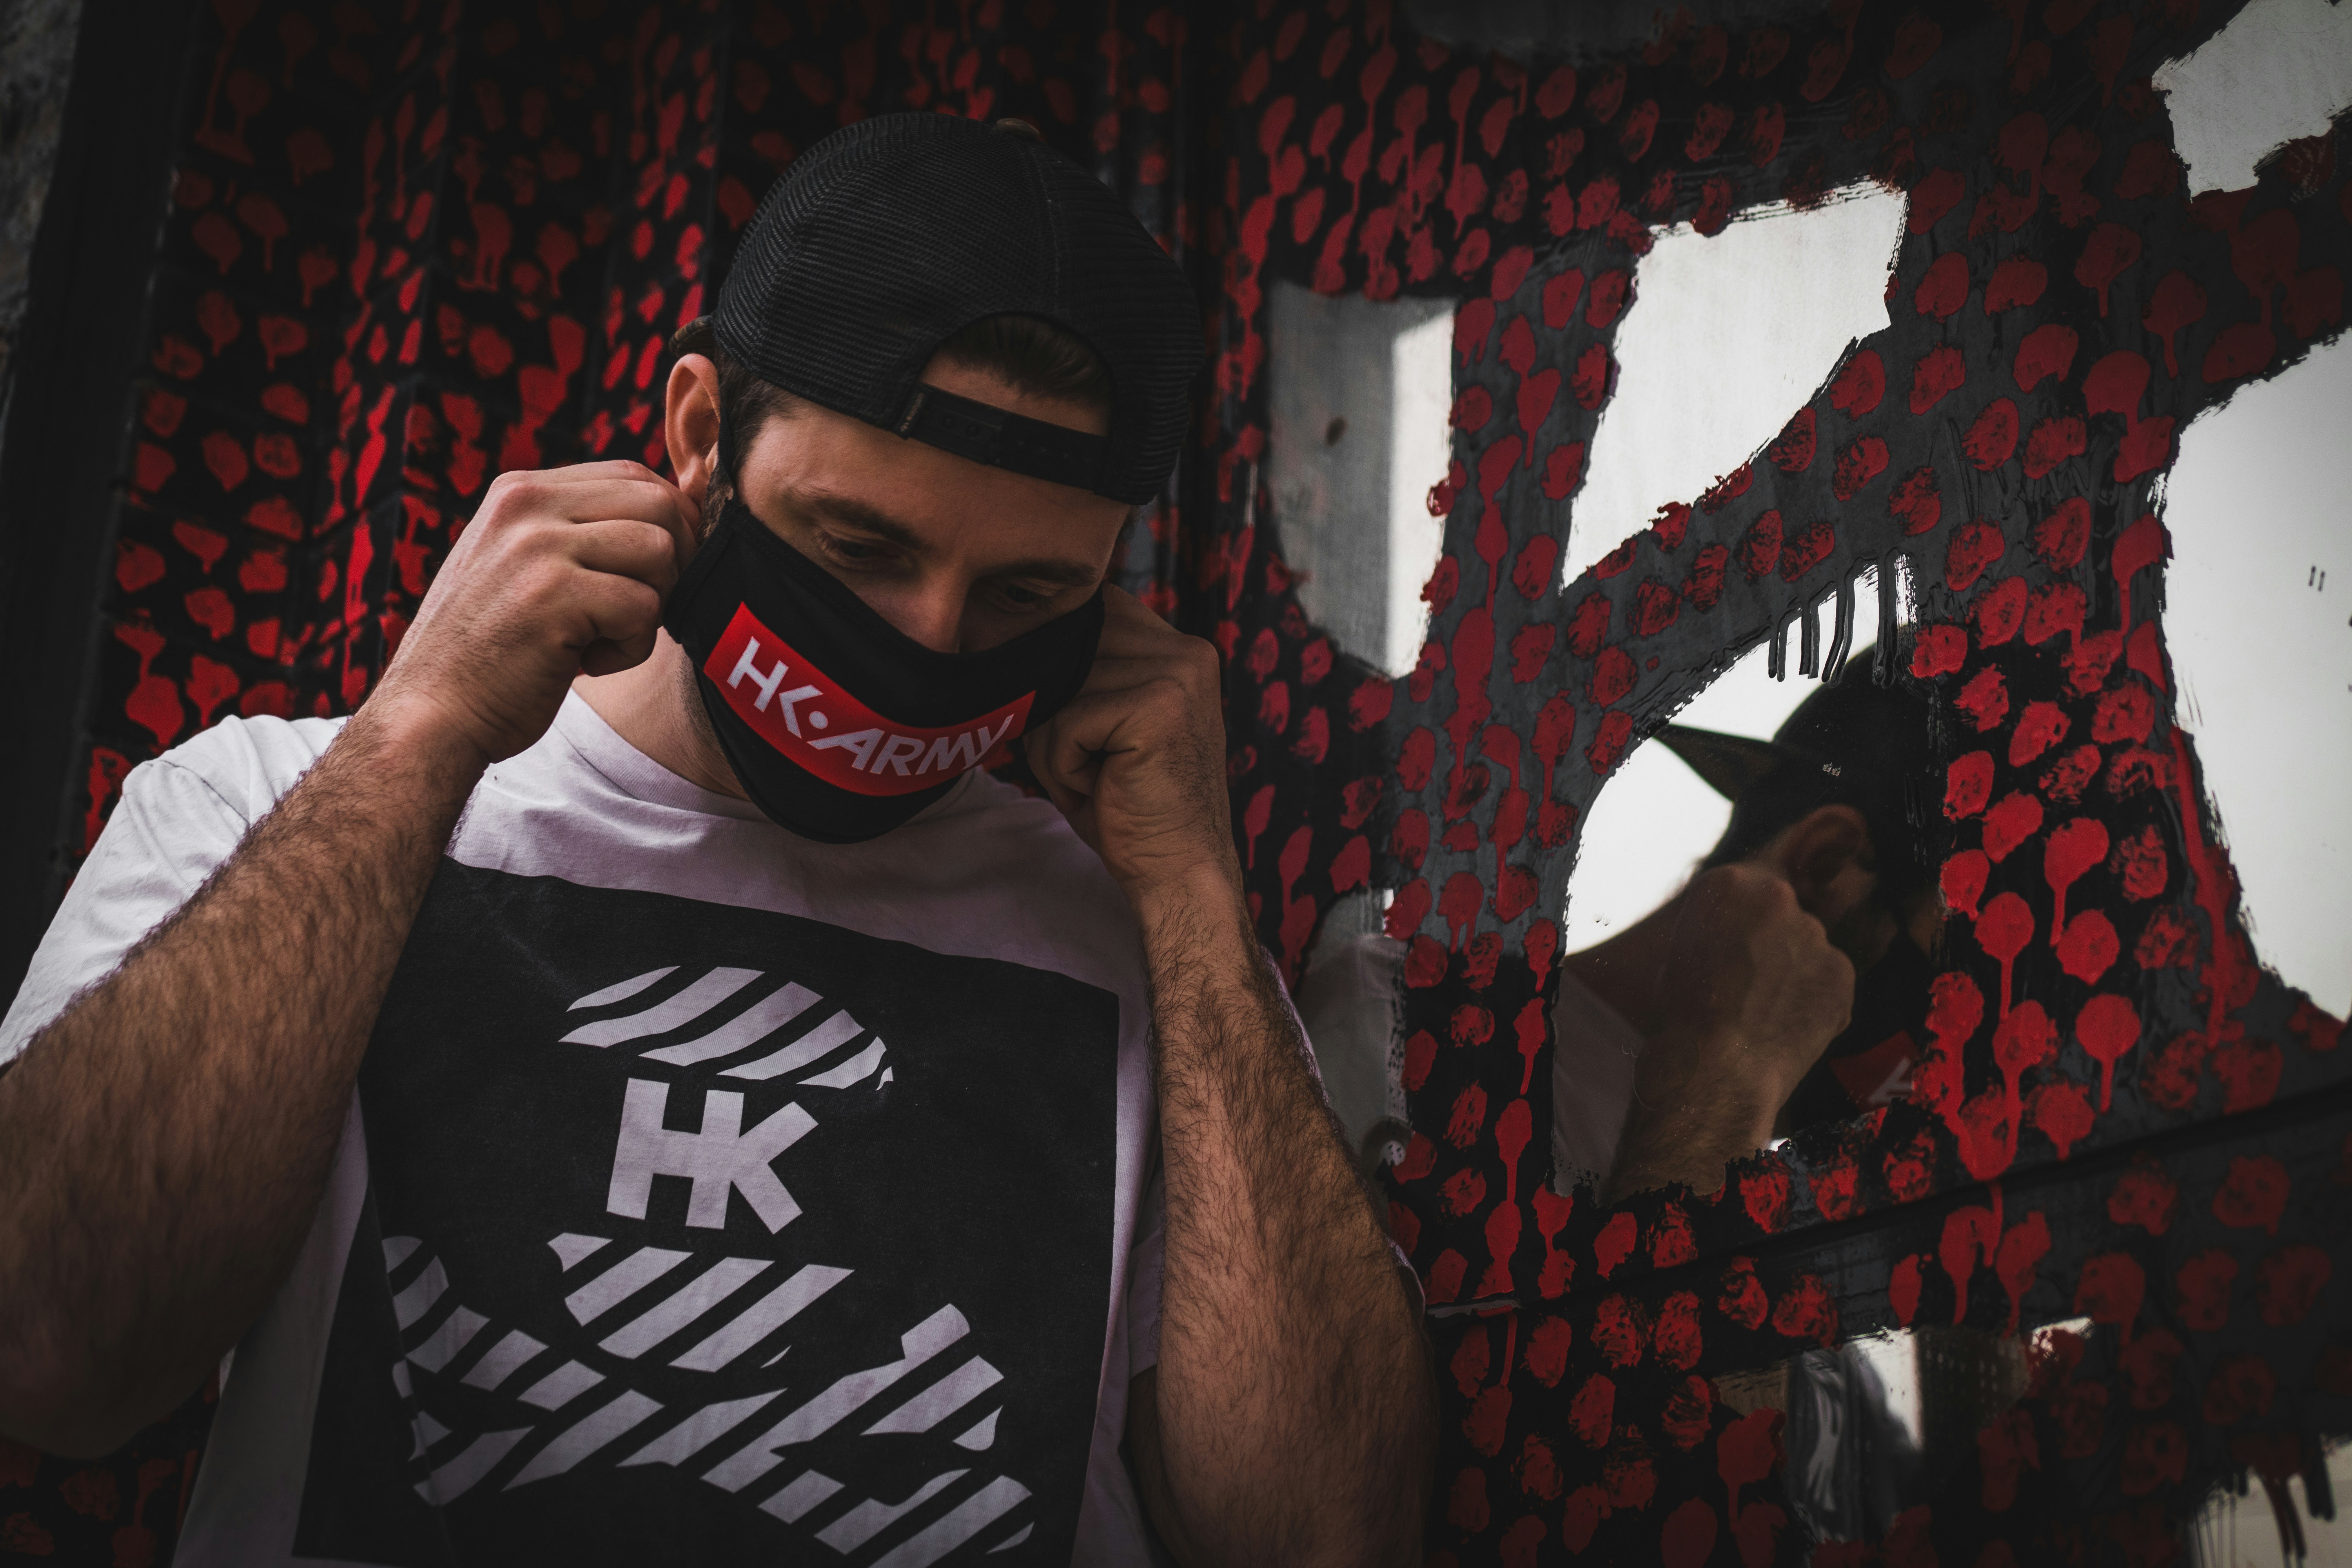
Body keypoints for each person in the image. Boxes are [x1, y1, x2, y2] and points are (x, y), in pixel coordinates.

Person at [0, 116, 1433, 1566]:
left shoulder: (1145, 948)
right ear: (699, 436)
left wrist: (1193, 896)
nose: (927, 639)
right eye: (860, 546)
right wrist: (415, 742)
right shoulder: (265, 808)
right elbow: (50, 1351)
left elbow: (1326, 1542)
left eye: (1025, 591)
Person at [1299, 646, 1941, 1206]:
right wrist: (1734, 1068)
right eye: (1951, 975)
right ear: (1827, 867)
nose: (1942, 1065)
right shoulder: (1416, 1045)